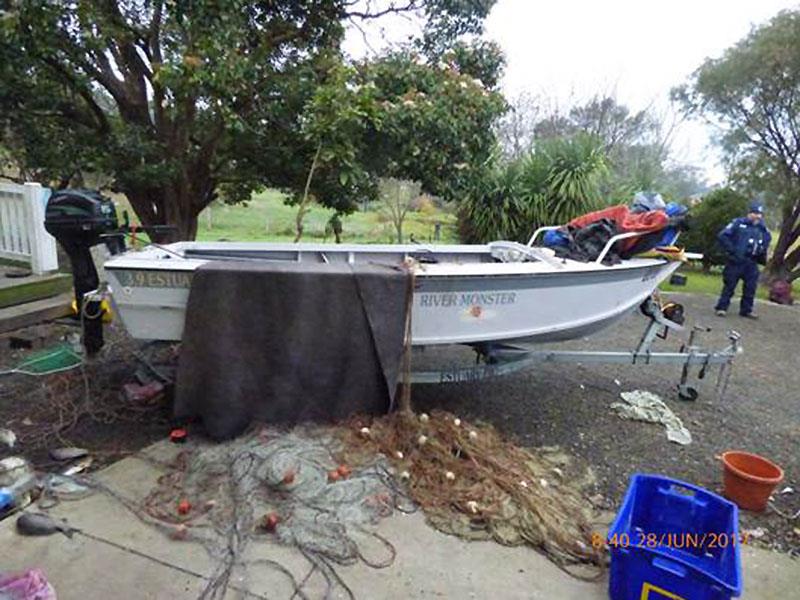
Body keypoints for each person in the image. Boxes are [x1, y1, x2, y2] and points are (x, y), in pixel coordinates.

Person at [714, 201, 771, 319]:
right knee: (730, 285)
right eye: (755, 213)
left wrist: (761, 251)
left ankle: (746, 310)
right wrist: (732, 250)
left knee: (750, 287)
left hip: (751, 262)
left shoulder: (762, 228)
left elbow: (767, 239)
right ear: (749, 213)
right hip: (736, 260)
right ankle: (722, 308)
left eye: (760, 214)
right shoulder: (738, 223)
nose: (758, 216)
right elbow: (723, 236)